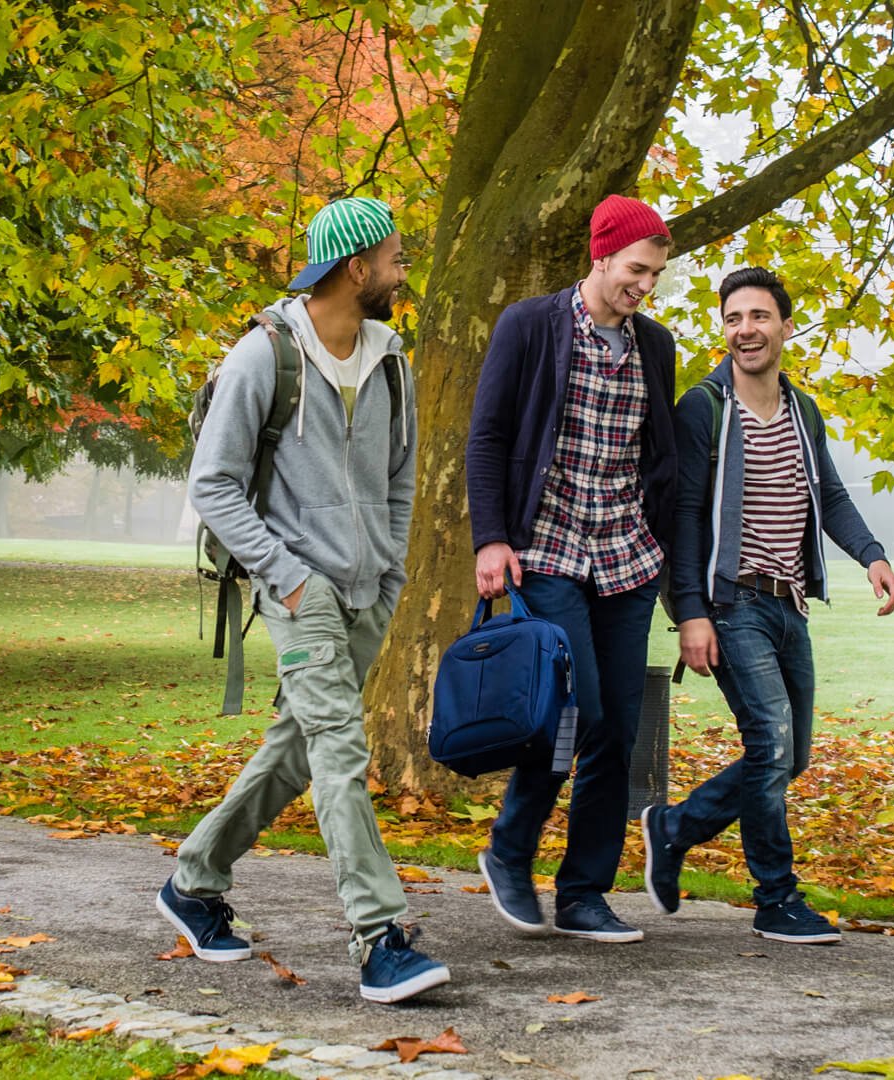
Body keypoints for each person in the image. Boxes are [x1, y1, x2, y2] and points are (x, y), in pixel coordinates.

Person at [160, 197, 444, 1005]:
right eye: (393, 258)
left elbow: (399, 481)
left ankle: (194, 880)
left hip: (367, 590)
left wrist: (388, 574)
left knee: (297, 749)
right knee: (340, 753)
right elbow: (213, 485)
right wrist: (284, 574)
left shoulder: (392, 361)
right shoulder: (264, 356)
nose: (400, 270)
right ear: (357, 268)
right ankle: (378, 937)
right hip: (298, 591)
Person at [643, 267, 894, 944]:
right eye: (733, 318)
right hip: (734, 604)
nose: (745, 329)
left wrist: (871, 555)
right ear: (723, 329)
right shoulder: (705, 408)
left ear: (785, 326)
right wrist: (691, 612)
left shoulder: (801, 410)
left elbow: (832, 498)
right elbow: (685, 517)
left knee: (793, 754)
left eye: (758, 316)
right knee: (772, 742)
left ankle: (674, 828)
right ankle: (776, 897)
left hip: (790, 605)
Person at [465, 194, 679, 944]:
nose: (644, 286)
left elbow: (661, 461)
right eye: (635, 270)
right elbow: (488, 435)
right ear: (600, 255)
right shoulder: (531, 325)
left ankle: (585, 892)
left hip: (625, 557)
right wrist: (491, 537)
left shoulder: (655, 345)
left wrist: (667, 561)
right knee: (572, 710)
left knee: (618, 730)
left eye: (654, 275)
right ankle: (509, 849)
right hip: (548, 549)